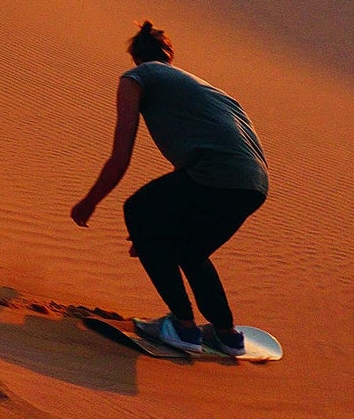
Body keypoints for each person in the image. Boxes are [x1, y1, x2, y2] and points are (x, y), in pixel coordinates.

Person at [71, 21, 268, 356]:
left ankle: (182, 326)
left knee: (137, 209)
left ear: (137, 58)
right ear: (169, 56)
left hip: (215, 173)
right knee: (189, 251)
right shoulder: (207, 90)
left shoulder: (136, 78)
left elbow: (121, 158)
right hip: (254, 184)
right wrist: (152, 238)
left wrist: (89, 202)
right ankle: (226, 334)